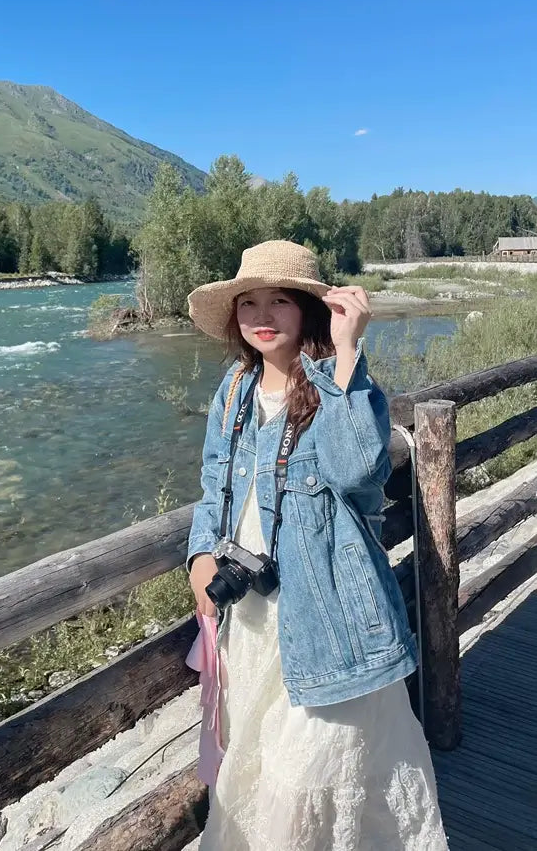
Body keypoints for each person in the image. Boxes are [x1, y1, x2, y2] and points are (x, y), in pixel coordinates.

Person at [186, 240, 448, 850]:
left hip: (330, 616)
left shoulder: (340, 384)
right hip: (253, 617)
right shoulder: (234, 389)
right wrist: (201, 552)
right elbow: (213, 482)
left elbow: (359, 470)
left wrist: (349, 350)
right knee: (263, 757)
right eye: (248, 301)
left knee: (313, 771)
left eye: (280, 300)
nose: (261, 314)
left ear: (308, 309)